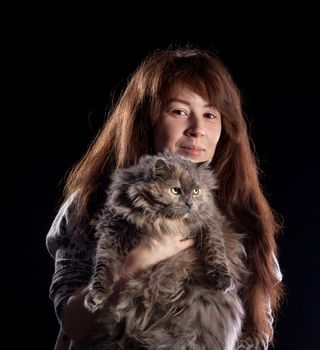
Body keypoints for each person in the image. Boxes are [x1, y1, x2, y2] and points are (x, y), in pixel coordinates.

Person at [46, 46, 283, 350]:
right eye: (180, 111)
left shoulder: (241, 210)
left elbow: (259, 331)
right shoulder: (91, 202)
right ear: (147, 119)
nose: (197, 129)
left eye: (210, 114)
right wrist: (133, 266)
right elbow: (72, 323)